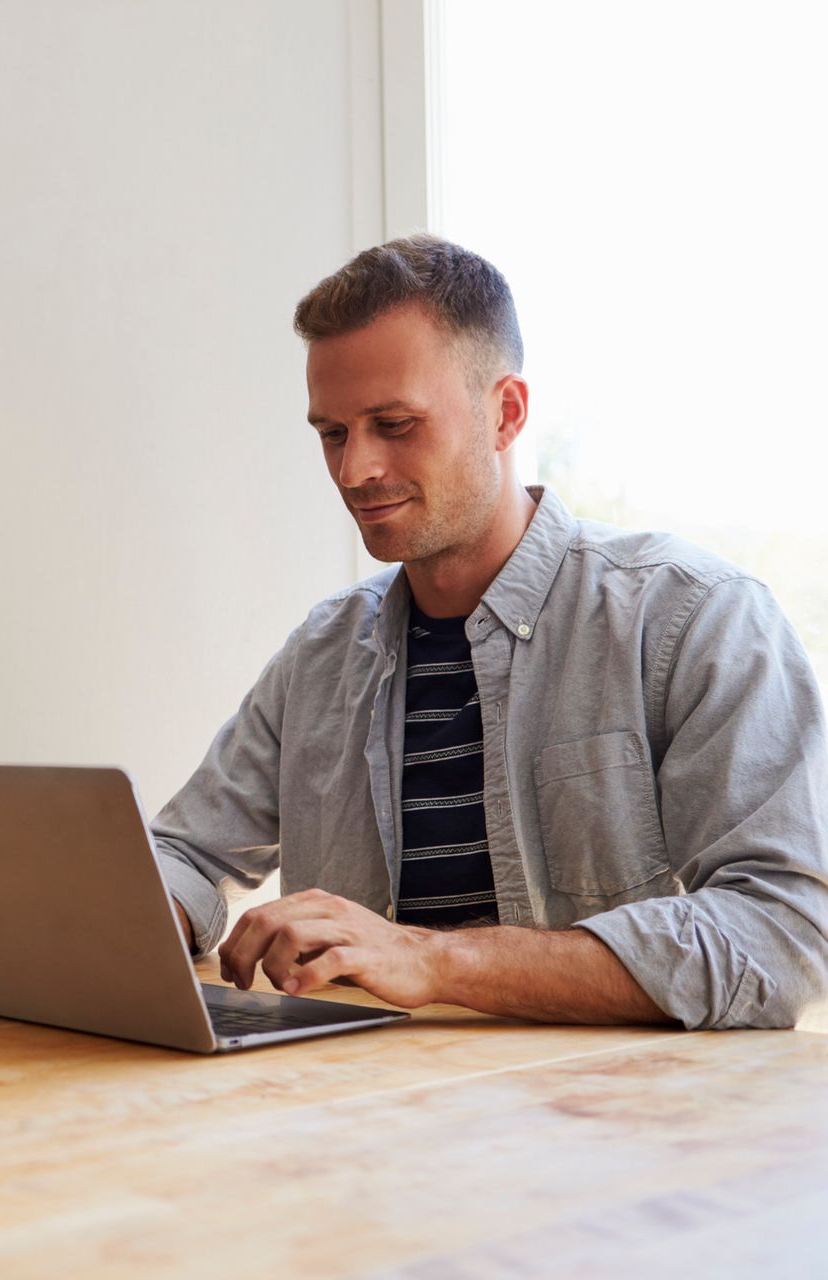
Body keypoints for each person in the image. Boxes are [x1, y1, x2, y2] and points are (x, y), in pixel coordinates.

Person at [151, 234, 828, 1029]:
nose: (353, 470)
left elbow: (781, 933)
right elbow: (185, 852)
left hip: (608, 1129)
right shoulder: (322, 653)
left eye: (394, 424)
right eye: (332, 433)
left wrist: (434, 961)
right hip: (358, 1122)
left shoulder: (694, 617)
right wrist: (131, 916)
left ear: (505, 413)